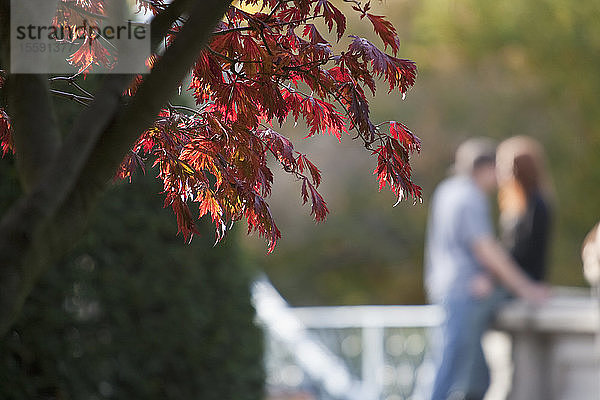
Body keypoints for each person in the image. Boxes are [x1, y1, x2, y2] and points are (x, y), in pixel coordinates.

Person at [424, 137, 549, 400]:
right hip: (466, 290)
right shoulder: (470, 197)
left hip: (444, 285)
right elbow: (486, 249)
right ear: (485, 168)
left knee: (471, 370)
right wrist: (524, 287)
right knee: (451, 362)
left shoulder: (447, 190)